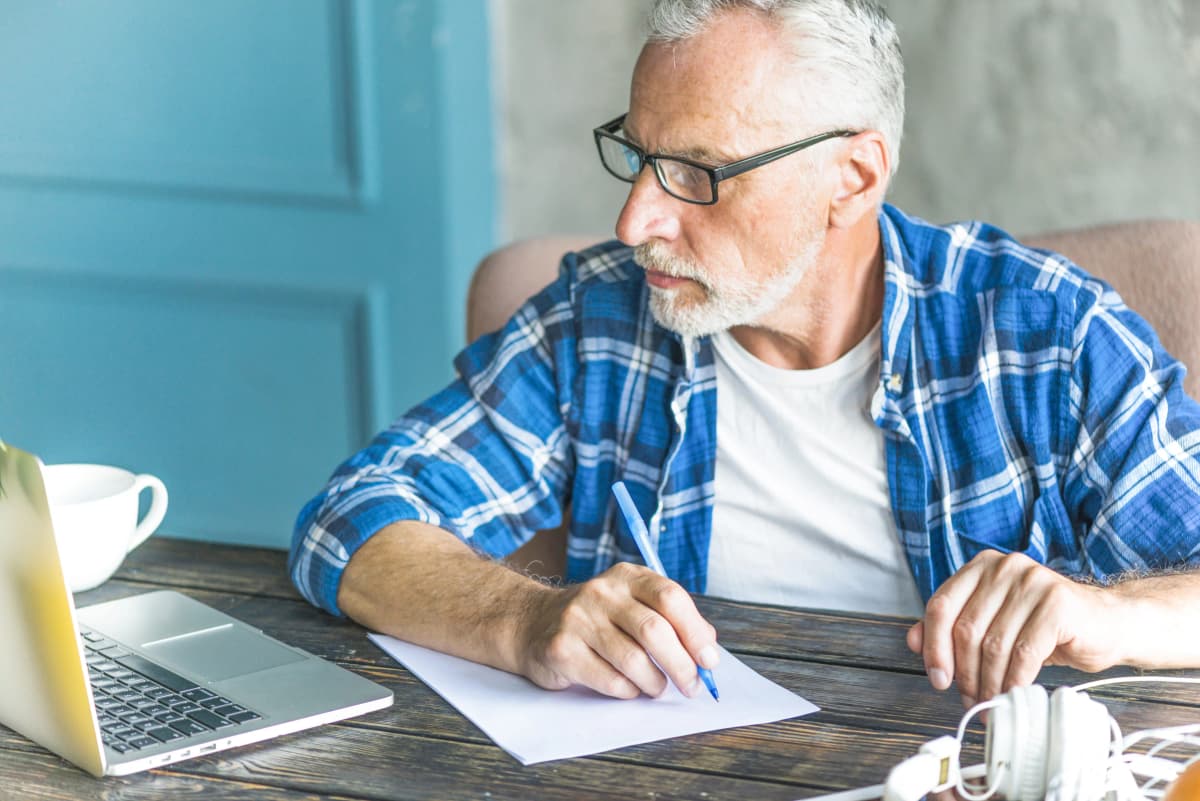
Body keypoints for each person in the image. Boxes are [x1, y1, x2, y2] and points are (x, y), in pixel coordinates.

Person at [289, 0, 1200, 710]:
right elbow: (352, 518)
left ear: (852, 177)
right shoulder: (600, 319)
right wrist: (525, 616)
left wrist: (1104, 613)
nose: (635, 220)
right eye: (639, 156)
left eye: (697, 173)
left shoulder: (1045, 332)